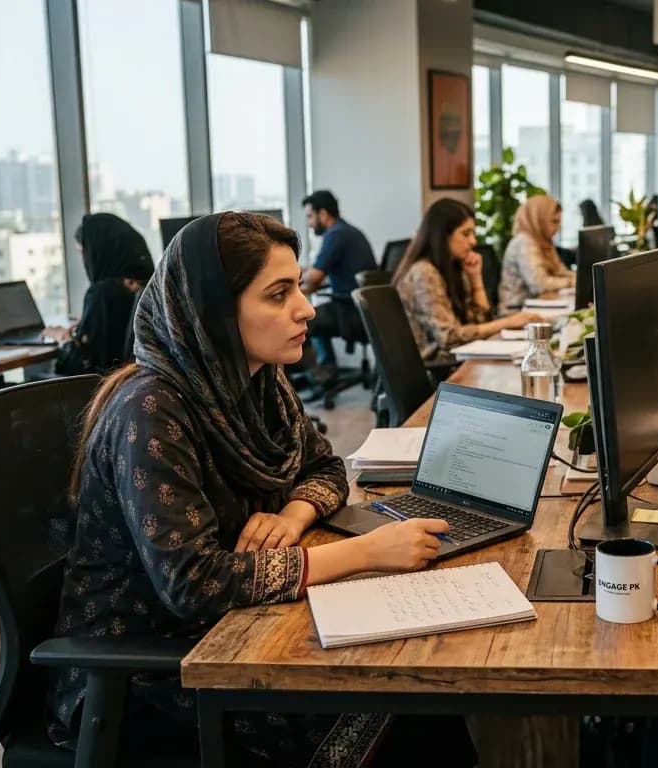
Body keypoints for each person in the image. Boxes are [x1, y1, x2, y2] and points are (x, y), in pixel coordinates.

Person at [50, 212, 476, 766]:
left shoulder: (257, 381)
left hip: (231, 629)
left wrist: (295, 515)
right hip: (145, 673)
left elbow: (326, 467)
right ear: (214, 313)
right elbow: (194, 583)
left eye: (298, 286)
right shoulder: (152, 410)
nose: (306, 308)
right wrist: (367, 551)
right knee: (407, 704)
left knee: (421, 696)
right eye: (278, 294)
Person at [398, 198, 543, 363]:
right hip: (437, 367)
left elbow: (480, 322)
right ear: (443, 236)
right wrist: (508, 322)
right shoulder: (424, 272)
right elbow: (449, 337)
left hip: (457, 358)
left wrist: (475, 279)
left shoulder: (454, 267)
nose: (473, 241)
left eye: (473, 233)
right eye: (465, 234)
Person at [50, 213, 154, 375]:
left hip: (103, 392)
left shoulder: (103, 295)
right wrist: (88, 324)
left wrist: (63, 338)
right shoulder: (149, 284)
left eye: (83, 252)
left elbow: (84, 367)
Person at [299, 190, 377, 379]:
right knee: (314, 310)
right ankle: (328, 368)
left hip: (349, 310)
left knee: (302, 322)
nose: (309, 224)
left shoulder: (335, 235)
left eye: (310, 216)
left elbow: (314, 277)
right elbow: (316, 279)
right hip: (364, 308)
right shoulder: (349, 231)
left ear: (323, 214)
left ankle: (321, 375)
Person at [497, 194, 572, 310]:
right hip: (516, 311)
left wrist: (579, 279)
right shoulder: (524, 242)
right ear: (539, 219)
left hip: (537, 306)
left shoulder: (543, 241)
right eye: (554, 222)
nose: (558, 228)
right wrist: (570, 282)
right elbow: (540, 285)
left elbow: (561, 271)